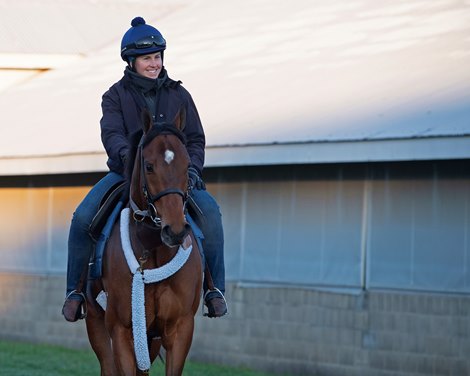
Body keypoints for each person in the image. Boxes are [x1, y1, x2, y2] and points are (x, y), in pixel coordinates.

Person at [62, 16, 227, 322]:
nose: (154, 64)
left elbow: (195, 139)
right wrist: (132, 162)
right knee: (83, 217)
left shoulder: (180, 95)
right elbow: (111, 135)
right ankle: (75, 291)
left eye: (157, 57)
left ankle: (214, 289)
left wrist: (191, 172)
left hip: (175, 179)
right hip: (127, 174)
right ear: (131, 61)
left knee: (212, 215)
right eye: (147, 59)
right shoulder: (114, 96)